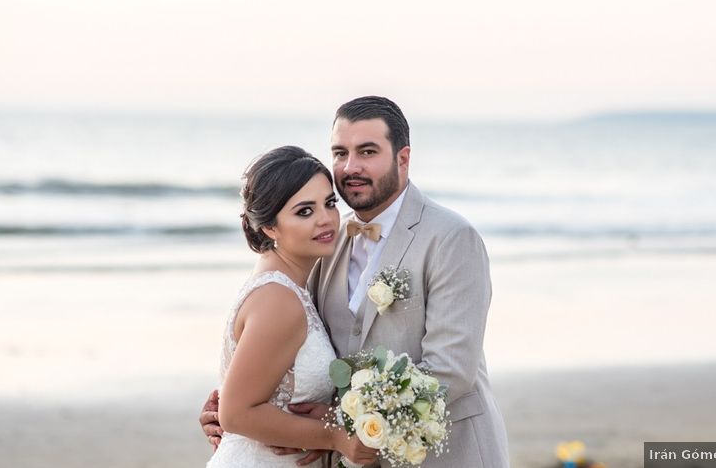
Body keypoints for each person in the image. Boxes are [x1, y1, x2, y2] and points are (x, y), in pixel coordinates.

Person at [203, 97, 510, 467]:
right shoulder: (325, 241)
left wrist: (337, 421)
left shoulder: (451, 239)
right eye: (340, 153)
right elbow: (282, 353)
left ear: (403, 158)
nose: (350, 167)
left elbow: (449, 372)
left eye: (367, 152)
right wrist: (240, 411)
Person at [205, 145, 378, 467]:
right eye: (304, 211)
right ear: (270, 227)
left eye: (329, 203)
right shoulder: (279, 299)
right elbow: (236, 413)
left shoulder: (288, 286)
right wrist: (333, 436)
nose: (326, 220)